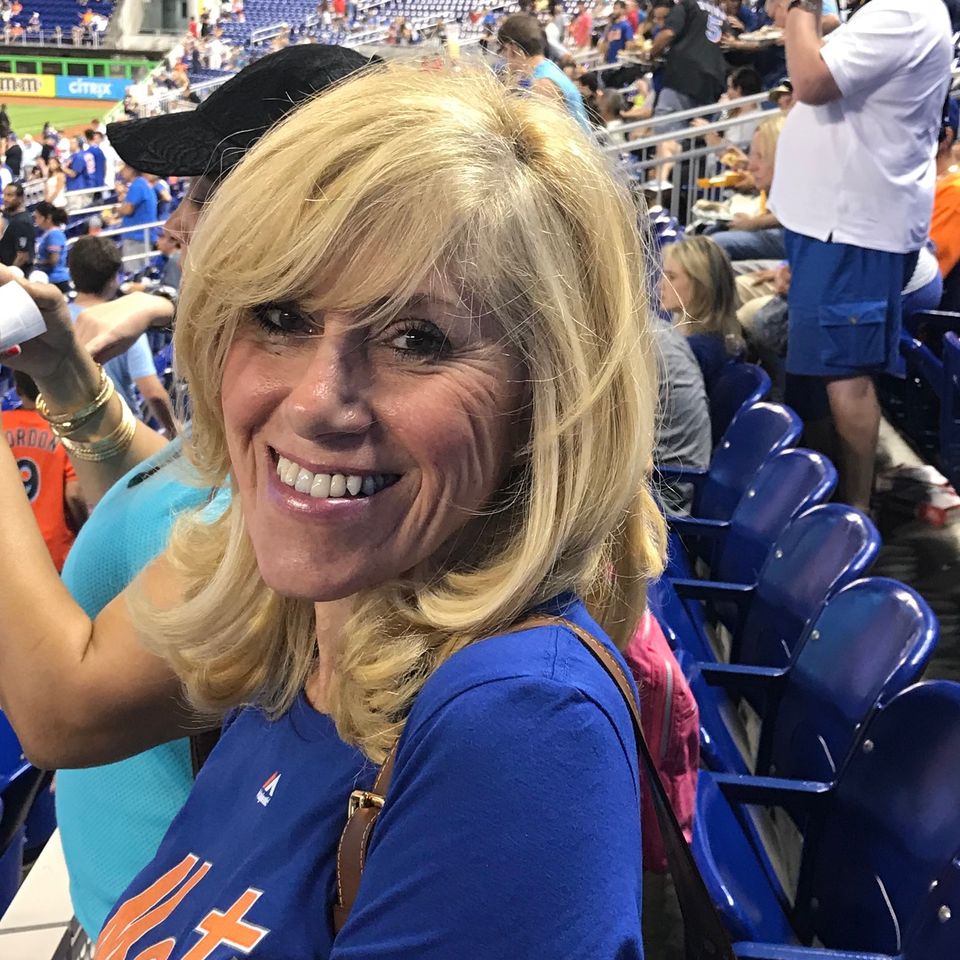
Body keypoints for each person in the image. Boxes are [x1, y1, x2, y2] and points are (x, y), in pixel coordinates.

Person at [0, 63, 666, 958]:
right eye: (280, 316)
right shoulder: (301, 629)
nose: (319, 401)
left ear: (547, 400)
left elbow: (62, 707)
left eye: (416, 338)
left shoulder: (516, 730)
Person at [0, 45, 373, 941]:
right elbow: (161, 494)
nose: (172, 226)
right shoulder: (263, 437)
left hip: (157, 924)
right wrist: (68, 378)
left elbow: (61, 711)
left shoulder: (307, 490)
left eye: (198, 193)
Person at [768, 0, 951, 510]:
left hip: (853, 230)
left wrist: (802, 6)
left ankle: (856, 512)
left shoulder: (906, 10)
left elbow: (811, 81)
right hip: (832, 225)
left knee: (845, 377)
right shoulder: (891, 12)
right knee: (826, 372)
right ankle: (833, 496)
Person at [67, 236, 178, 438]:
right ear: (113, 279)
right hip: (125, 436)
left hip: (74, 436)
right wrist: (177, 434)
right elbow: (153, 393)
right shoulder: (127, 323)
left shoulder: (57, 322)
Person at [2, 372, 86, 572]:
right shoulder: (63, 430)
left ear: (18, 390)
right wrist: (84, 529)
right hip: (53, 550)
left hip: (7, 550)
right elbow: (74, 494)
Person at [646, 0, 727, 185]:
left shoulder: (688, 5)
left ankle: (661, 183)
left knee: (666, 132)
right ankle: (672, 186)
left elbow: (668, 33)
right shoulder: (722, 16)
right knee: (687, 138)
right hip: (711, 82)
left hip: (683, 75)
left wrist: (650, 53)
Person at [661, 236, 744, 390]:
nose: (661, 284)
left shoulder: (696, 351)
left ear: (701, 285)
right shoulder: (719, 337)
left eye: (671, 277)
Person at [497, 14, 591, 131]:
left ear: (513, 49)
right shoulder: (547, 67)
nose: (504, 56)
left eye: (504, 50)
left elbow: (549, 134)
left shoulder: (543, 84)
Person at [117, 163, 158, 265]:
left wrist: (116, 209)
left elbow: (128, 209)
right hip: (141, 236)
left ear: (131, 170)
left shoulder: (137, 185)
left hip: (137, 237)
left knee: (133, 270)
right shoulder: (142, 183)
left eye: (124, 168)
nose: (122, 172)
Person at [33, 200, 71, 293]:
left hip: (57, 280)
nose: (36, 221)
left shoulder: (54, 234)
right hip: (50, 278)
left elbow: (54, 259)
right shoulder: (48, 233)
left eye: (37, 217)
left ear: (48, 218)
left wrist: (37, 263)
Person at [0, 182, 35, 271]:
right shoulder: (8, 214)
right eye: (4, 195)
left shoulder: (22, 222)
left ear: (20, 198)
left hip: (17, 273)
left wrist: (9, 274)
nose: (5, 198)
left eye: (9, 195)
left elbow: (22, 256)